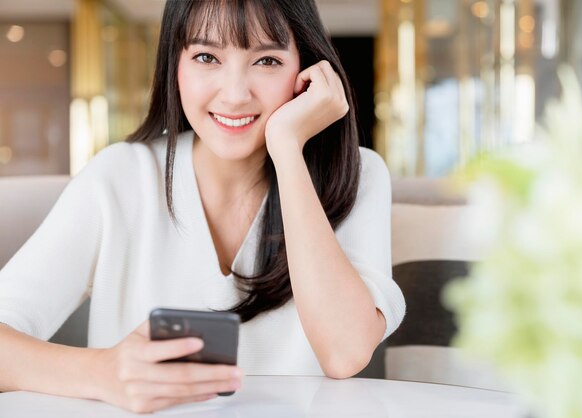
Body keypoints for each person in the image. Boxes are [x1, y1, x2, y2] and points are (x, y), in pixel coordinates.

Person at [0, 0, 405, 413]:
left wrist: (287, 149)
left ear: (306, 70)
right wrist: (102, 372)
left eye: (266, 60)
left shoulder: (358, 174)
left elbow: (345, 354)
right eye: (206, 56)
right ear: (174, 64)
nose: (234, 94)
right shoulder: (121, 177)